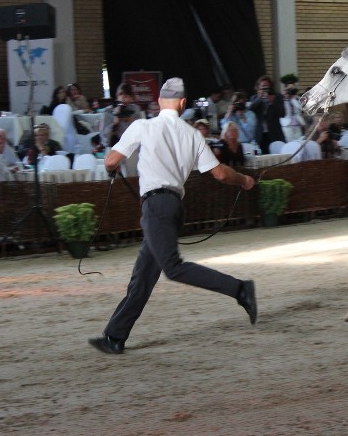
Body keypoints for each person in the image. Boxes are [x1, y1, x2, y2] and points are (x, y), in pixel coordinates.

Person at [89, 77, 257, 355]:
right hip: (173, 206)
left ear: (159, 102)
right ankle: (115, 336)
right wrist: (244, 181)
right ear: (181, 103)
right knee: (143, 276)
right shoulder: (193, 134)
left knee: (173, 268)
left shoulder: (142, 126)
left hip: (155, 206)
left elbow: (110, 161)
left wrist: (114, 165)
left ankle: (240, 289)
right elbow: (219, 173)